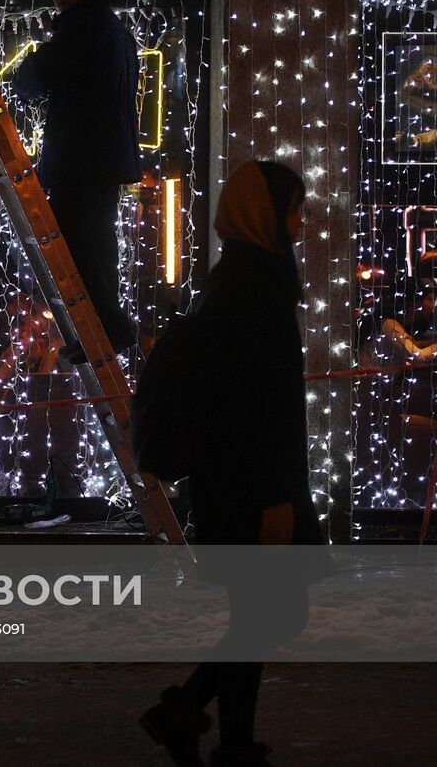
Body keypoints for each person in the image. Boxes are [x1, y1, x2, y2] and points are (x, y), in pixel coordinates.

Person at [139, 160, 323, 767]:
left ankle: (199, 722)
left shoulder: (240, 280)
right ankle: (213, 732)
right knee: (270, 613)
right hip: (251, 483)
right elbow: (258, 403)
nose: (299, 223)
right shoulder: (257, 288)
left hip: (235, 479)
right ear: (261, 214)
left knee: (260, 614)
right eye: (291, 209)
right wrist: (276, 497)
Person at [14, 0, 141, 364]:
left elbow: (46, 69)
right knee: (98, 241)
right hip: (105, 157)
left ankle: (107, 325)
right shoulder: (115, 32)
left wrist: (23, 81)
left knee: (74, 243)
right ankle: (108, 327)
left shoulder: (84, 27)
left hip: (81, 156)